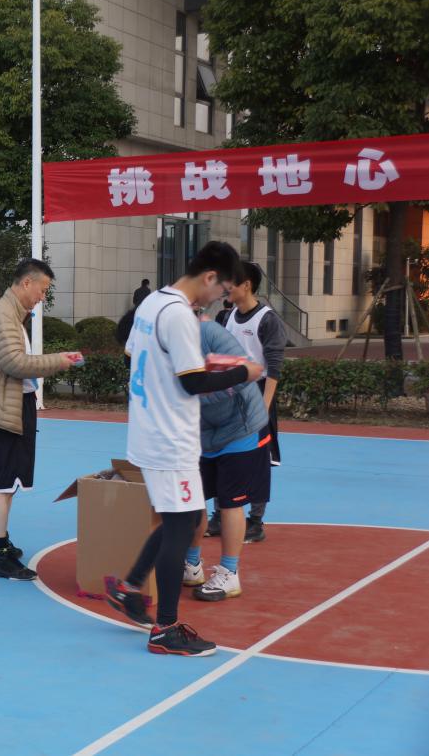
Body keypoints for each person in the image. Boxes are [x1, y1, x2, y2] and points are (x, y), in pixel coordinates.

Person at [105, 241, 262, 657]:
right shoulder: (177, 314)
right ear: (209, 277)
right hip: (169, 438)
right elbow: (192, 382)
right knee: (180, 526)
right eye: (222, 290)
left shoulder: (152, 303)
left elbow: (134, 356)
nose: (219, 299)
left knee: (187, 518)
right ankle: (165, 627)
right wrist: (243, 372)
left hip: (151, 431)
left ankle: (129, 588)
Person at [0, 259, 75, 580]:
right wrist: (59, 361)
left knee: (10, 481)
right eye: (42, 290)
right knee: (4, 482)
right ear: (27, 283)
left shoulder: (12, 315)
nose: (42, 297)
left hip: (14, 403)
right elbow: (15, 363)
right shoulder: (4, 315)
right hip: (7, 408)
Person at [183, 315, 271, 602]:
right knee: (193, 499)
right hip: (201, 433)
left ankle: (229, 573)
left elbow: (248, 373)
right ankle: (191, 565)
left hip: (240, 428)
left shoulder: (209, 332)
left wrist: (193, 395)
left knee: (231, 502)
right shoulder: (163, 348)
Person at [218, 261, 285, 543]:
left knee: (258, 459)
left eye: (231, 281)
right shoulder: (227, 317)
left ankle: (256, 521)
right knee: (221, 453)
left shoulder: (268, 320)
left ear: (247, 285)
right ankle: (220, 514)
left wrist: (264, 406)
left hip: (257, 393)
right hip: (228, 393)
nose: (226, 286)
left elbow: (275, 367)